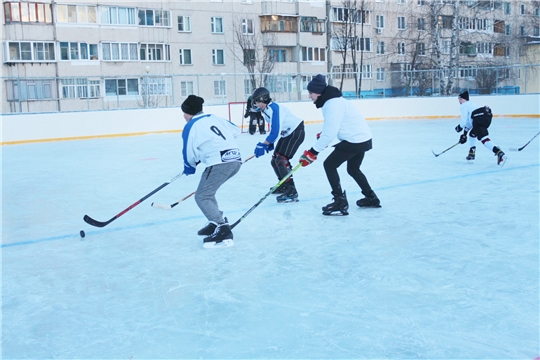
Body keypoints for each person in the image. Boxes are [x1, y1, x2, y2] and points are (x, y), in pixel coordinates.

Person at [298, 74, 380, 216]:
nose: (309, 96)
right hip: (363, 138)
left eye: (310, 93)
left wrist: (313, 152)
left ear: (318, 92)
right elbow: (334, 126)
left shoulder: (332, 104)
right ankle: (371, 198)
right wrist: (324, 134)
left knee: (329, 165)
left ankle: (339, 201)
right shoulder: (333, 101)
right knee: (353, 169)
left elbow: (330, 133)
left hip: (355, 140)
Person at [181, 95, 242, 247]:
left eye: (184, 113)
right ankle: (215, 222)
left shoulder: (191, 125)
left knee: (202, 196)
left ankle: (223, 228)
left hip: (219, 163)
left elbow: (188, 150)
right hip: (235, 160)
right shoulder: (215, 118)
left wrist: (189, 166)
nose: (184, 116)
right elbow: (235, 130)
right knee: (208, 193)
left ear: (189, 112)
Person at [251, 87, 305, 203]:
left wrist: (264, 144)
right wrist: (270, 143)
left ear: (263, 99)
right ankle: (283, 184)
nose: (255, 103)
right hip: (287, 133)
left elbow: (275, 131)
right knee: (274, 159)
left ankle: (292, 190)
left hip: (296, 132)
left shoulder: (274, 108)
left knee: (282, 159)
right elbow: (275, 130)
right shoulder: (265, 110)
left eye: (257, 101)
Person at [455, 91, 506, 166]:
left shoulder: (464, 105)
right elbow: (470, 122)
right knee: (472, 134)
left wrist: (459, 127)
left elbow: (464, 120)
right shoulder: (472, 105)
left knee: (483, 138)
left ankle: (499, 152)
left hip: (479, 118)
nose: (459, 101)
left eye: (459, 99)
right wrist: (464, 134)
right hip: (486, 117)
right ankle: (471, 153)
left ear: (462, 99)